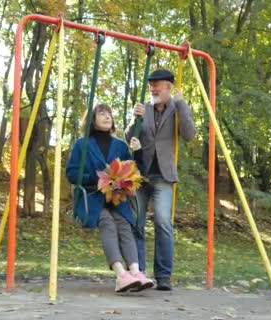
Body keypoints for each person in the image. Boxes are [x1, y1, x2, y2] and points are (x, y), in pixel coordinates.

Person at [66, 103, 154, 293]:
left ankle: (136, 272)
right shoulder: (83, 144)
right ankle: (121, 275)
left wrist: (138, 151)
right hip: (92, 196)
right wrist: (98, 179)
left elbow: (138, 170)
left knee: (124, 224)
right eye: (102, 114)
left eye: (109, 114)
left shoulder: (120, 145)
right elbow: (72, 174)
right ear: (92, 119)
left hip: (117, 196)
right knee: (107, 222)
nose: (107, 117)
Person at [125, 69, 196, 290]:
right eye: (151, 85)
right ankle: (139, 274)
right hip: (141, 176)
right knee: (136, 223)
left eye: (157, 85)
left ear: (168, 87)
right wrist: (135, 120)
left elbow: (189, 134)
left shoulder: (177, 109)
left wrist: (182, 104)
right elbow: (129, 137)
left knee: (163, 222)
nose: (153, 89)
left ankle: (163, 276)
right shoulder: (143, 108)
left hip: (164, 176)